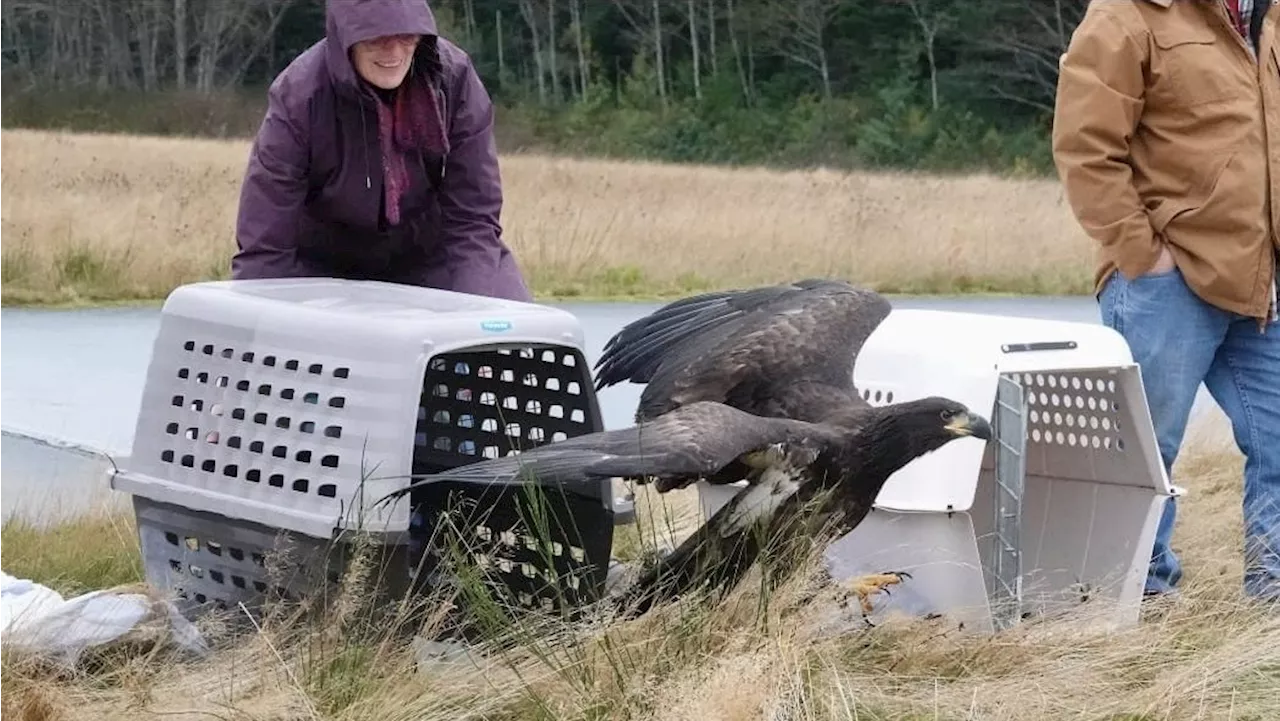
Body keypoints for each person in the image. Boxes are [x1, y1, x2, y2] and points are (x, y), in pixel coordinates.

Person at [1053, 0, 1280, 601]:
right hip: (1166, 284)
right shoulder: (1126, 15)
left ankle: (1273, 595)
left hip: (1260, 283)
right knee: (1146, 453)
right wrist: (1144, 256)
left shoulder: (1268, 16)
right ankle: (1141, 599)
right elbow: (1085, 149)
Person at [231, 0, 533, 302]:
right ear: (345, 37)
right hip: (322, 265)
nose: (394, 52)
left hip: (430, 255)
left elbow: (473, 220)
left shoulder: (455, 80)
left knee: (506, 319)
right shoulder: (299, 96)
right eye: (376, 39)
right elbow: (266, 245)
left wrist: (473, 312)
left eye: (406, 36)